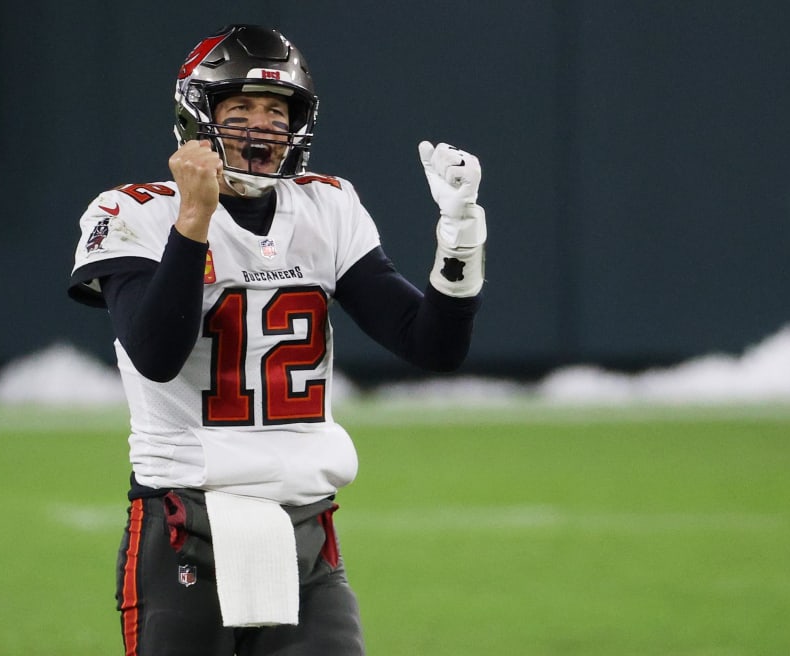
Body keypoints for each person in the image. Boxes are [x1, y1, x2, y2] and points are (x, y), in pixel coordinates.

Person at [67, 24, 486, 656]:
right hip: (187, 521)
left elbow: (431, 345)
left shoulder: (327, 207)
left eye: (276, 111)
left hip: (304, 528)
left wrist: (460, 236)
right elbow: (156, 354)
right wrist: (195, 218)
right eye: (240, 110)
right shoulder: (132, 212)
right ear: (198, 118)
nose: (261, 128)